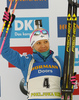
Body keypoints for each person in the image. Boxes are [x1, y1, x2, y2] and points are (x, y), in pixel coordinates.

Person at [0, 7, 76, 100]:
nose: (43, 45)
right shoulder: (27, 61)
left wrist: (70, 84)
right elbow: (4, 50)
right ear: (32, 46)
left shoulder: (58, 61)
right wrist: (7, 27)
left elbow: (65, 88)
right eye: (38, 43)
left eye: (45, 41)